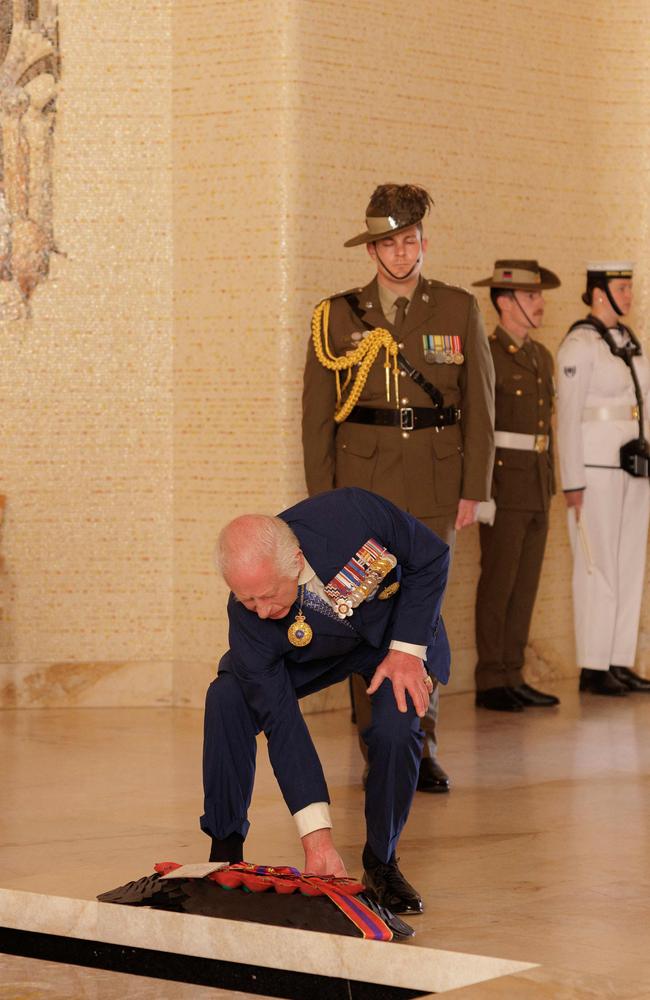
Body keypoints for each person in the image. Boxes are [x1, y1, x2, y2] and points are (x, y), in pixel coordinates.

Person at [302, 183, 494, 791]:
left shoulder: (458, 308)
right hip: (363, 486)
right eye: (389, 242)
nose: (401, 252)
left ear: (422, 243)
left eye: (410, 240)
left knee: (424, 615)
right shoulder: (337, 316)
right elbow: (316, 417)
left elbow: (481, 407)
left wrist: (474, 488)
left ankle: (419, 742)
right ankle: (375, 743)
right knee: (363, 609)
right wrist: (323, 502)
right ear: (372, 249)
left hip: (436, 485)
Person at [201, 487, 451, 914]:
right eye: (247, 599)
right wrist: (316, 841)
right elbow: (283, 726)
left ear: (294, 561)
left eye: (267, 595)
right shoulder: (249, 616)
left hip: (389, 638)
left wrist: (407, 652)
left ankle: (382, 861)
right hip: (308, 650)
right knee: (227, 696)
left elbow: (430, 558)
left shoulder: (353, 514)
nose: (259, 610)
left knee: (397, 728)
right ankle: (226, 850)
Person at [556, 262, 650, 696]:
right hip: (594, 473)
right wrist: (571, 480)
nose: (629, 296)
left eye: (630, 288)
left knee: (630, 565)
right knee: (598, 567)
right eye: (622, 288)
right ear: (598, 292)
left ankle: (618, 659)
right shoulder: (579, 344)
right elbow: (568, 417)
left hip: (634, 470)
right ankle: (593, 666)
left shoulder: (629, 341)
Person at [472, 260, 561, 712]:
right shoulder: (488, 355)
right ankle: (491, 677)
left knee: (525, 584)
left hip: (537, 481)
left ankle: (513, 670)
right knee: (499, 582)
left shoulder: (540, 357)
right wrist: (481, 490)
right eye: (531, 297)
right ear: (505, 302)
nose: (540, 304)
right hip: (504, 484)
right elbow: (482, 428)